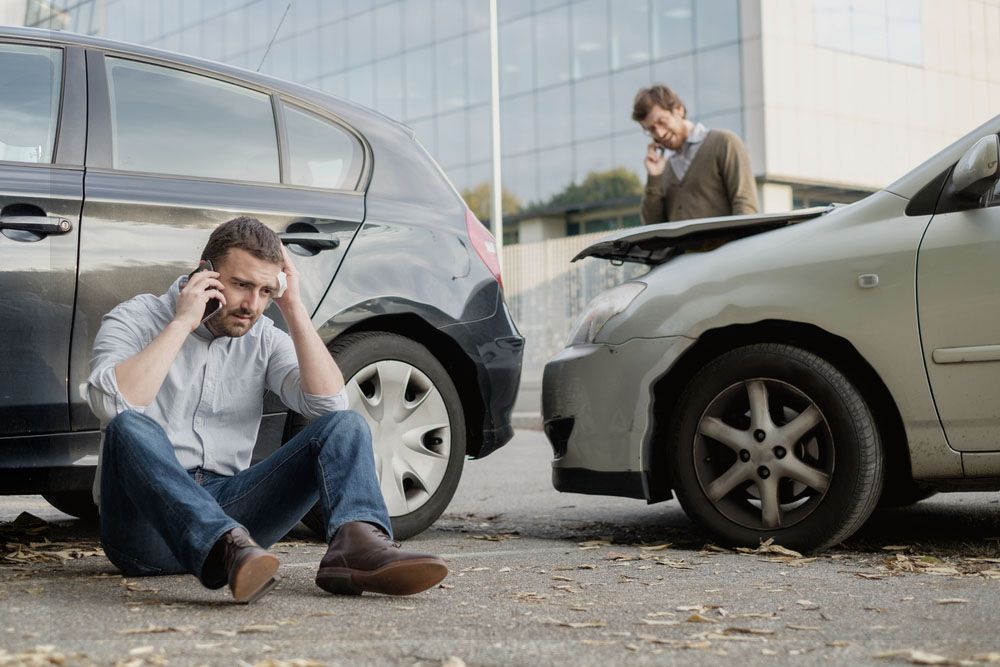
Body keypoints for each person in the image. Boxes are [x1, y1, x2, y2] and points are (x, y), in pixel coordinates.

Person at [84, 216, 448, 603]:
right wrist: (182, 324)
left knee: (346, 425)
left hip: (236, 521)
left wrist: (293, 308)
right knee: (130, 426)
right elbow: (113, 403)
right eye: (242, 285)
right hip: (147, 527)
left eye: (265, 291)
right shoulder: (137, 317)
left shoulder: (263, 338)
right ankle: (222, 548)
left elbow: (328, 405)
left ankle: (356, 549)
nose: (252, 305)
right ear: (204, 273)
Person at [633, 84, 759, 225]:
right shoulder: (665, 168)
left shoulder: (724, 143)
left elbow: (745, 206)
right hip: (681, 248)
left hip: (725, 247)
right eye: (651, 129)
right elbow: (652, 226)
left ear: (679, 110)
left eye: (662, 122)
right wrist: (654, 177)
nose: (659, 133)